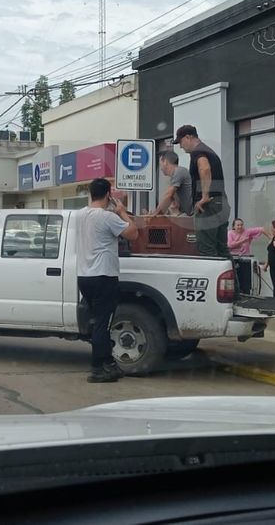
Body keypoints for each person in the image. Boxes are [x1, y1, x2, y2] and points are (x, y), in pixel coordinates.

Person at [76, 178, 138, 384]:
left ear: (90, 193)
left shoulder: (80, 215)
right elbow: (133, 233)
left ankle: (107, 363)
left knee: (98, 322)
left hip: (84, 276)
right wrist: (121, 211)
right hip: (103, 275)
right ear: (108, 195)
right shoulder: (107, 217)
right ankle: (98, 368)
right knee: (103, 324)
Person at [173, 125, 229, 258]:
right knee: (222, 249)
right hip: (221, 202)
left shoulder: (198, 152)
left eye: (180, 142)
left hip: (208, 206)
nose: (180, 146)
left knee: (207, 250)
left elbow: (204, 169)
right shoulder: (209, 151)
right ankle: (232, 278)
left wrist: (204, 196)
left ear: (188, 137)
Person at [148, 151, 193, 217]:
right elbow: (169, 199)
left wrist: (155, 214)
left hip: (190, 215)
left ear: (165, 162)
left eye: (160, 164)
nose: (160, 168)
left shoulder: (179, 172)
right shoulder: (175, 176)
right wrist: (159, 213)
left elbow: (168, 195)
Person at [227, 219, 266, 293]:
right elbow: (229, 245)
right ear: (233, 226)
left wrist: (271, 238)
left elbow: (262, 229)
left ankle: (246, 293)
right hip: (234, 258)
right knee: (236, 278)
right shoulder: (230, 233)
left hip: (246, 258)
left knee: (246, 279)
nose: (240, 227)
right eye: (238, 225)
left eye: (241, 225)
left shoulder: (247, 231)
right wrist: (242, 241)